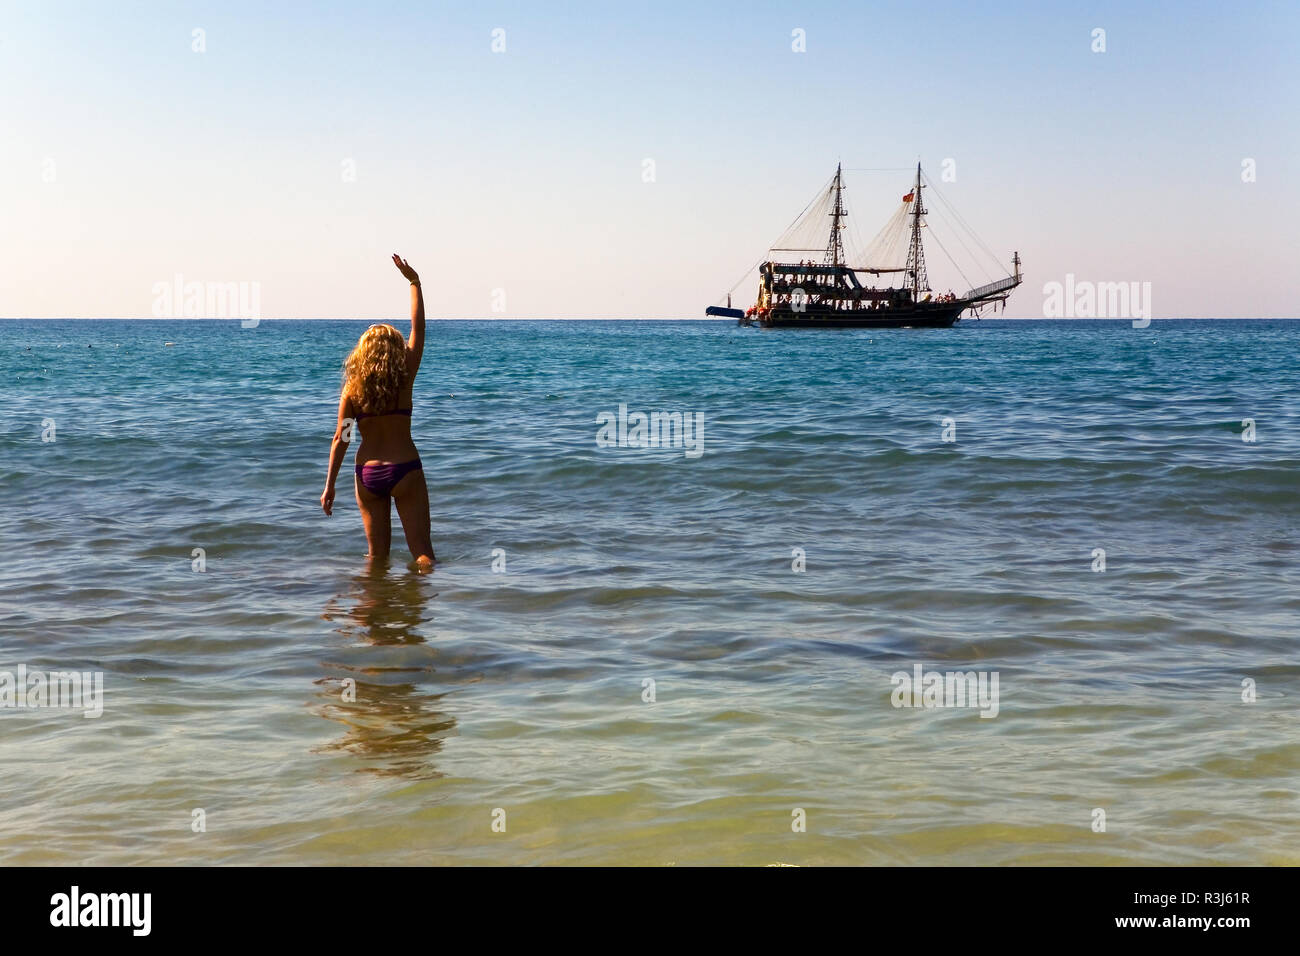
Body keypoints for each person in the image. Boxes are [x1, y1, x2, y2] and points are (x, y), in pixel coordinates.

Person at [321, 254, 435, 571]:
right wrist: (414, 281)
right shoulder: (405, 375)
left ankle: (373, 612)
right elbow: (419, 328)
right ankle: (424, 611)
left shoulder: (352, 390)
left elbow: (340, 439)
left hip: (367, 475)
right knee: (423, 554)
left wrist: (329, 485)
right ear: (396, 350)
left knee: (376, 559)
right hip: (405, 469)